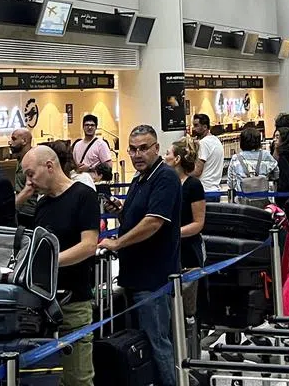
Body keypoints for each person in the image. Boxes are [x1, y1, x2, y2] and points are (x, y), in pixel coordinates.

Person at [98, 125, 180, 386]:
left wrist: (118, 243)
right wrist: (121, 210)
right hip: (135, 276)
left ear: (156, 148)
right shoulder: (139, 179)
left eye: (144, 148)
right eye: (132, 149)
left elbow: (153, 222)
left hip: (153, 278)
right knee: (143, 345)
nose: (137, 154)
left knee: (158, 344)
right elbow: (137, 218)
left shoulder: (164, 177)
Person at [24, 146, 100, 386]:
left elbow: (88, 245)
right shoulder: (42, 204)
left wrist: (48, 263)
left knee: (78, 377)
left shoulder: (84, 196)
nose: (29, 181)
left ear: (49, 166)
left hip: (74, 303)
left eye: (30, 174)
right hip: (43, 303)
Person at [165, 138, 206, 321]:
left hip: (188, 250)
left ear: (177, 159)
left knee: (189, 305)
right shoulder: (165, 184)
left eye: (168, 153)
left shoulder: (193, 185)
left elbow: (198, 223)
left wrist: (174, 233)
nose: (164, 157)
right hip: (169, 250)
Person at [227, 126, 278, 201]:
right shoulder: (266, 155)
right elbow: (276, 174)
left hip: (243, 200)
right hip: (264, 199)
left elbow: (231, 183)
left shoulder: (236, 158)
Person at [9, 128, 37, 229]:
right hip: (22, 211)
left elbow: (30, 188)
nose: (11, 143)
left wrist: (11, 207)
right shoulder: (20, 158)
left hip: (30, 212)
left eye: (14, 139)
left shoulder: (32, 159)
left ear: (24, 141)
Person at [190, 113, 224, 197]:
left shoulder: (203, 143)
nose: (194, 129)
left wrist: (181, 174)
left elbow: (197, 171)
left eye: (196, 125)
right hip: (215, 190)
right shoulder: (216, 140)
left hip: (204, 190)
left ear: (205, 127)